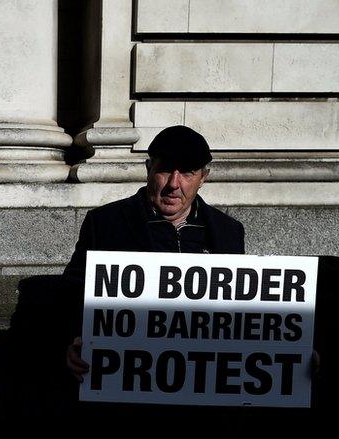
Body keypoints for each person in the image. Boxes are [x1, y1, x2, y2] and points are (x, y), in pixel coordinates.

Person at [63, 125, 245, 380]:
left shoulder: (228, 232)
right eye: (165, 169)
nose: (173, 184)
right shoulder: (105, 223)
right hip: (127, 384)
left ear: (203, 177)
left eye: (187, 173)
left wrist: (293, 352)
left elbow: (244, 314)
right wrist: (72, 343)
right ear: (149, 169)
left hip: (200, 385)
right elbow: (72, 295)